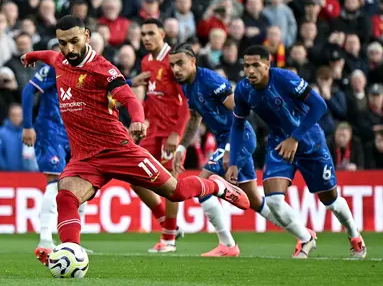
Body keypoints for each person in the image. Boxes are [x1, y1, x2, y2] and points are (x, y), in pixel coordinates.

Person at [21, 15, 249, 267]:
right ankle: (69, 253)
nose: (69, 49)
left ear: (87, 36)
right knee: (65, 197)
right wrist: (32, 55)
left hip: (118, 149)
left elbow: (128, 97)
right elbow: (49, 56)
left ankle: (215, 186)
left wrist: (138, 119)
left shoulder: (102, 68)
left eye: (74, 41)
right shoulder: (60, 59)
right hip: (85, 157)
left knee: (176, 192)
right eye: (63, 43)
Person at [226, 45, 366, 259]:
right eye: (246, 66)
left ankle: (354, 235)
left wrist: (295, 138)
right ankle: (305, 238)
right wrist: (234, 161)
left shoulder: (284, 79)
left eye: (256, 65)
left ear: (268, 65)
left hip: (310, 142)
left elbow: (319, 106)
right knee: (273, 200)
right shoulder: (244, 90)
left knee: (331, 202)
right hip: (279, 144)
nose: (251, 70)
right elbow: (237, 126)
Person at [170, 43, 280, 257]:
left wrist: (231, 147)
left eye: (180, 63)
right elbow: (194, 119)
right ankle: (303, 234)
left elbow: (240, 113)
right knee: (255, 201)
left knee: (202, 184)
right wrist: (182, 146)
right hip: (226, 141)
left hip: (237, 137)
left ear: (193, 62)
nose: (176, 69)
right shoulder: (187, 86)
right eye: (173, 65)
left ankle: (228, 244)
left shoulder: (211, 81)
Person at [21, 40, 90, 251]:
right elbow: (27, 91)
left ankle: (73, 242)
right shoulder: (52, 68)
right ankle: (44, 238)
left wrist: (130, 82)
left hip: (73, 133)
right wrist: (27, 126)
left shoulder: (82, 69)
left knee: (81, 183)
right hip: (50, 131)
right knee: (54, 182)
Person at [132, 18, 190, 253]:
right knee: (135, 177)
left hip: (171, 133)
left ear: (163, 34)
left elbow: (186, 101)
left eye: (151, 33)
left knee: (171, 185)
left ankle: (168, 239)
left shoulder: (173, 62)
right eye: (143, 34)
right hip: (152, 129)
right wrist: (138, 120)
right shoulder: (146, 61)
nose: (146, 38)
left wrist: (177, 134)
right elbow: (151, 98)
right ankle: (167, 223)